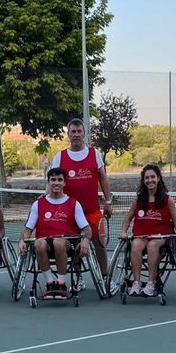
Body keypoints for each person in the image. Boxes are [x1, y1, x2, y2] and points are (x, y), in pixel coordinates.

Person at [51, 118, 112, 281]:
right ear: (68, 134)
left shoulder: (94, 154)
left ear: (84, 133)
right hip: (68, 213)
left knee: (100, 245)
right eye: (73, 132)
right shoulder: (60, 157)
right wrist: (46, 200)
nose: (76, 135)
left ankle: (104, 277)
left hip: (92, 211)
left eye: (79, 131)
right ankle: (77, 278)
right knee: (74, 246)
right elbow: (52, 182)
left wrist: (108, 201)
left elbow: (104, 179)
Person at [18, 167, 91, 298]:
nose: (56, 182)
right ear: (48, 183)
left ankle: (61, 283)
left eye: (59, 180)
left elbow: (86, 228)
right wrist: (22, 240)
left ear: (64, 183)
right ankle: (50, 283)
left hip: (67, 244)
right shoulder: (38, 204)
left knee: (58, 242)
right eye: (53, 180)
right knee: (39, 243)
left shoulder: (74, 203)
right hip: (44, 244)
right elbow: (28, 229)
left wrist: (85, 240)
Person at [120, 164, 176, 297]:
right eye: (147, 178)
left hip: (160, 236)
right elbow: (128, 218)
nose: (150, 180)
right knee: (136, 245)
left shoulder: (168, 200)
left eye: (153, 177)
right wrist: (124, 232)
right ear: (143, 181)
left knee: (152, 245)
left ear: (158, 178)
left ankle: (151, 283)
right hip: (141, 235)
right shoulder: (138, 200)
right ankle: (136, 283)